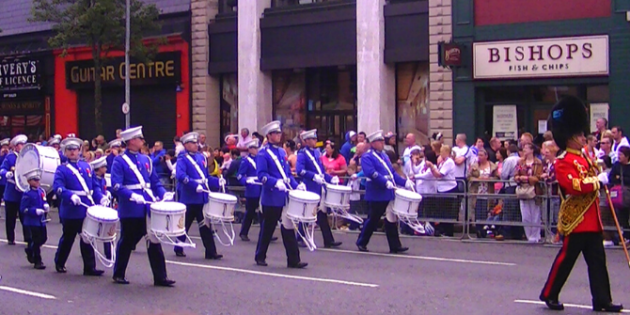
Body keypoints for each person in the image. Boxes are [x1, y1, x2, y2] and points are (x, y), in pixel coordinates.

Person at [539, 96, 622, 312]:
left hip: (591, 220)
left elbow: (591, 176)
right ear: (569, 138)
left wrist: (602, 175)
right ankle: (549, 293)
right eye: (578, 135)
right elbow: (575, 186)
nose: (582, 138)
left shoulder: (585, 157)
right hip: (576, 220)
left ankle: (602, 299)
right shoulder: (563, 161)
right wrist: (597, 181)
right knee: (566, 260)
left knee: (598, 263)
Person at [111, 126, 176, 286]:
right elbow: (116, 185)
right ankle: (118, 273)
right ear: (132, 141)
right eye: (140, 139)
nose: (142, 141)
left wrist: (163, 193)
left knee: (154, 240)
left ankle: (160, 277)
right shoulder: (120, 161)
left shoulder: (145, 160)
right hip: (131, 208)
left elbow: (154, 182)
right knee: (127, 240)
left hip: (147, 206)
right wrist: (131, 195)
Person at [255, 120, 308, 268]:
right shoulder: (262, 154)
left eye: (279, 133)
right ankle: (260, 255)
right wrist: (274, 182)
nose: (278, 136)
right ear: (269, 135)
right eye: (275, 133)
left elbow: (287, 175)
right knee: (268, 229)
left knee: (288, 227)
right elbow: (261, 175)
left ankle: (293, 260)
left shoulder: (280, 152)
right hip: (271, 196)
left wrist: (297, 186)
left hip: (284, 196)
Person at [52, 137, 104, 276]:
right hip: (71, 209)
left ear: (79, 150)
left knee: (87, 237)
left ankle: (89, 267)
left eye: (75, 149)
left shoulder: (86, 166)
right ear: (65, 152)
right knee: (68, 237)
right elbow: (58, 187)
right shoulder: (62, 169)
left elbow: (94, 186)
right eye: (70, 150)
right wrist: (70, 195)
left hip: (86, 207)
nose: (73, 152)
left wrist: (101, 197)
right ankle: (60, 262)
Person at [356, 130, 415, 253]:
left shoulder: (384, 156)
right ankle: (362, 241)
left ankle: (395, 245)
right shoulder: (367, 157)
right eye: (380, 141)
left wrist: (404, 182)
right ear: (373, 143)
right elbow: (371, 173)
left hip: (388, 191)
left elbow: (392, 173)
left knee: (391, 218)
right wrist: (384, 182)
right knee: (373, 219)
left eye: (383, 141)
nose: (383, 143)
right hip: (377, 192)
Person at [173, 131, 223, 259]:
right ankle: (178, 246)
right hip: (190, 196)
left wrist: (217, 181)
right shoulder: (182, 158)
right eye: (193, 143)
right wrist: (195, 186)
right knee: (185, 224)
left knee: (205, 224)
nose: (196, 145)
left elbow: (205, 177)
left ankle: (211, 251)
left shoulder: (201, 158)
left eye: (196, 143)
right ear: (186, 145)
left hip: (202, 197)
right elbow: (181, 176)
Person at [296, 129, 342, 248]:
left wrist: (330, 178)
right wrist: (313, 176)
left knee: (321, 214)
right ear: (306, 141)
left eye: (316, 139)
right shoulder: (302, 154)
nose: (315, 141)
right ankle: (300, 237)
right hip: (310, 186)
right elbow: (299, 170)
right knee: (308, 213)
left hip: (319, 186)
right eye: (313, 139)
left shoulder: (316, 153)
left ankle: (328, 240)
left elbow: (320, 171)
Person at [1, 135, 31, 248]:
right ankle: (10, 238)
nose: (23, 146)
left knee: (25, 216)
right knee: (11, 217)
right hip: (12, 192)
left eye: (24, 144)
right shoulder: (10, 157)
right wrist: (6, 174)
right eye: (20, 145)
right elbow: (2, 169)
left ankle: (28, 237)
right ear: (15, 146)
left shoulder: (28, 157)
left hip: (24, 192)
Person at [19, 169, 49, 270]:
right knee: (37, 240)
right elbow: (23, 209)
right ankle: (38, 261)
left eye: (38, 180)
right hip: (32, 221)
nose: (37, 182)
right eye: (34, 180)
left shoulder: (41, 191)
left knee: (43, 238)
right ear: (29, 182)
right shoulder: (27, 193)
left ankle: (30, 249)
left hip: (41, 220)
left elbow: (43, 200)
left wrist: (45, 206)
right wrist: (34, 211)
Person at [237, 138, 262, 241]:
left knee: (264, 212)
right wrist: (246, 181)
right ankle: (243, 232)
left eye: (257, 148)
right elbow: (239, 175)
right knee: (250, 212)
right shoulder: (246, 161)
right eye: (254, 148)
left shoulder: (260, 159)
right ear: (250, 149)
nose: (256, 150)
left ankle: (265, 233)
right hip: (252, 189)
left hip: (261, 187)